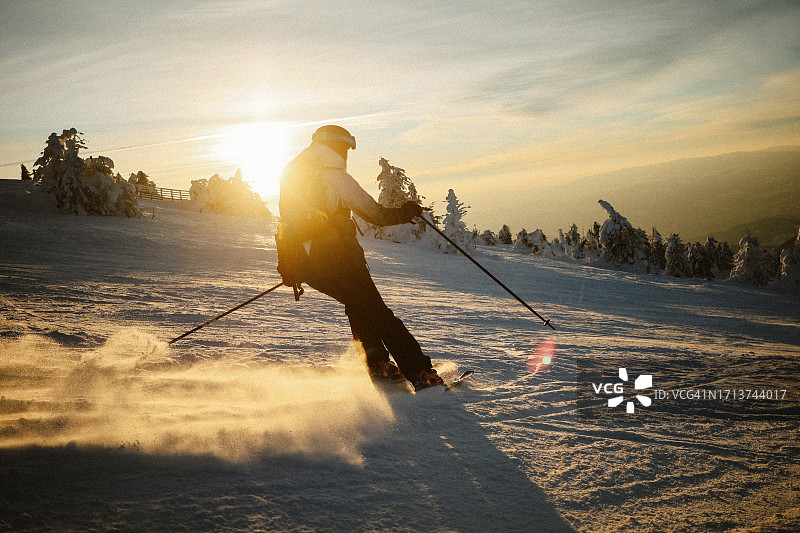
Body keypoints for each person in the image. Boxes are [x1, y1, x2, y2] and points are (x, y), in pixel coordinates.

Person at [276, 125, 444, 390]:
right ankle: (420, 372)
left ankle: (379, 364)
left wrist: (289, 264)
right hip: (338, 257)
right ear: (336, 147)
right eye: (345, 148)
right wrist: (406, 212)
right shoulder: (334, 175)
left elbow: (286, 224)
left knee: (359, 306)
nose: (346, 155)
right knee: (377, 312)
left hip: (305, 262)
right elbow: (373, 213)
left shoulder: (292, 174)